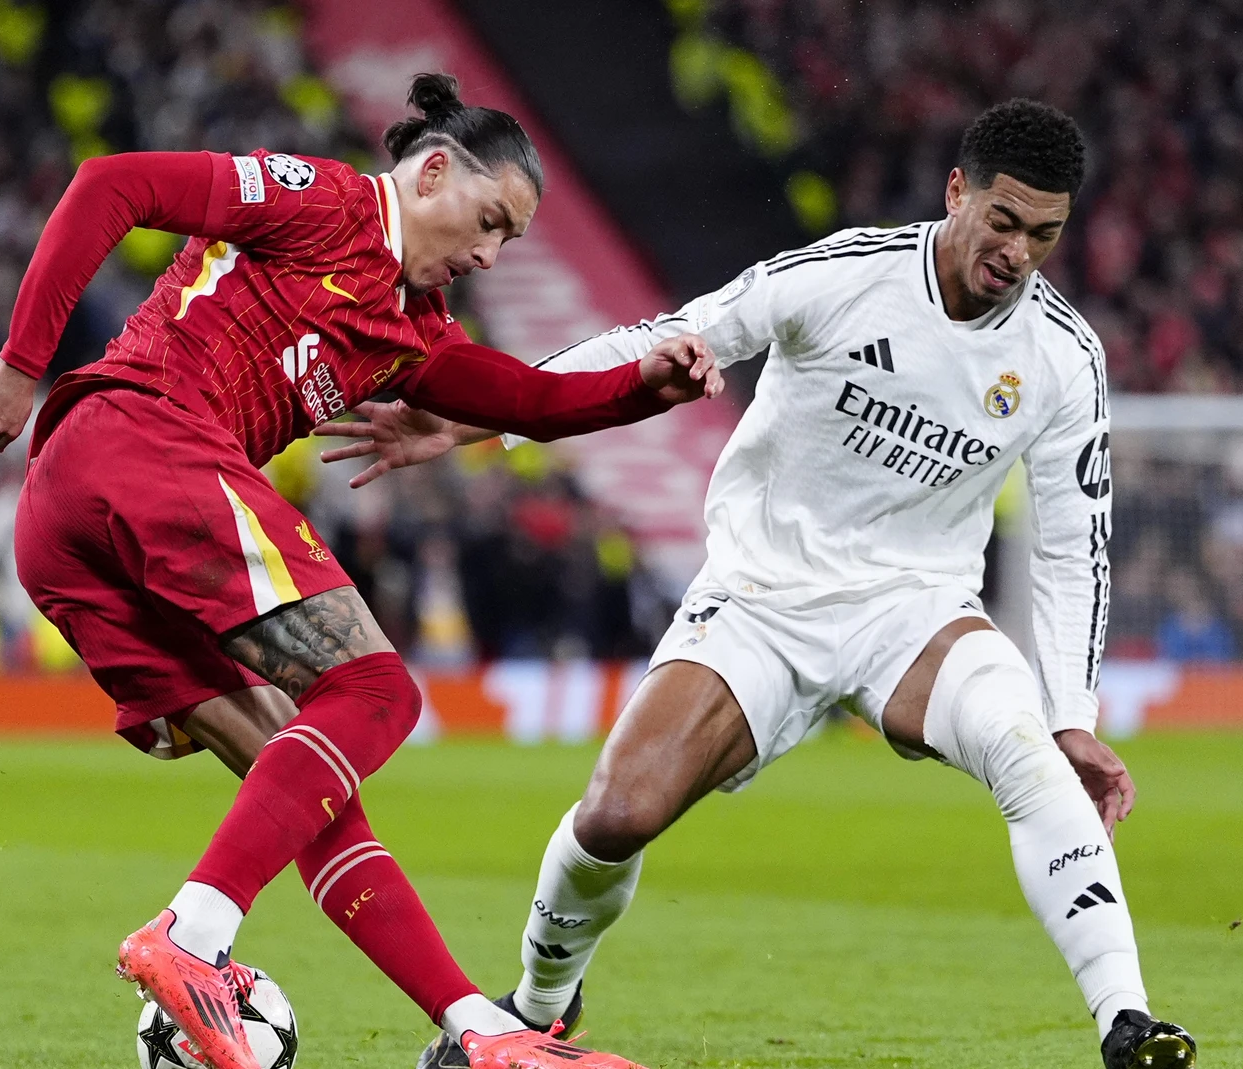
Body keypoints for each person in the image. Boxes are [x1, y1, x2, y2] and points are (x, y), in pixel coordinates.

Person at [318, 100, 1197, 1069]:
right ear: (957, 192)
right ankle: (535, 1007)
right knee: (614, 816)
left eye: (1045, 234)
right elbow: (672, 334)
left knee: (1026, 748)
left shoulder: (1063, 358)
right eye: (1003, 220)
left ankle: (1128, 1021)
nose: (1019, 252)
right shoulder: (843, 277)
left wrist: (1073, 711)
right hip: (762, 596)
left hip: (915, 610)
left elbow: (1077, 543)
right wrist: (477, 415)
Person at [0, 73, 720, 1069]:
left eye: (507, 242)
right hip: (144, 439)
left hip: (69, 517)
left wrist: (642, 389)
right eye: (488, 222)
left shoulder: (410, 330)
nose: (486, 254)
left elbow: (526, 400)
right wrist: (20, 359)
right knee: (377, 689)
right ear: (431, 172)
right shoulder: (325, 201)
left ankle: (482, 1032)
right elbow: (109, 184)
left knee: (307, 785)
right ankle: (190, 935)